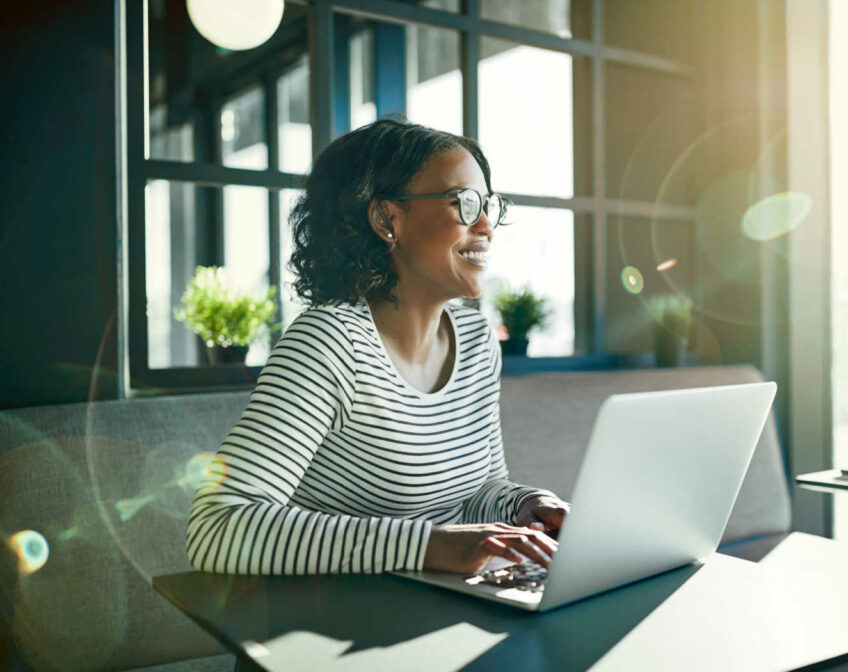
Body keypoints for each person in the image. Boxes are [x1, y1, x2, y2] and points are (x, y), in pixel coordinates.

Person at [186, 118, 570, 576]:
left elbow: (477, 490)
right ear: (387, 219)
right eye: (465, 204)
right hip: (327, 626)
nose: (486, 225)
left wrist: (525, 505)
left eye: (488, 204)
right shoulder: (328, 344)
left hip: (438, 610)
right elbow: (217, 525)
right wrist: (428, 546)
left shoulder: (476, 341)